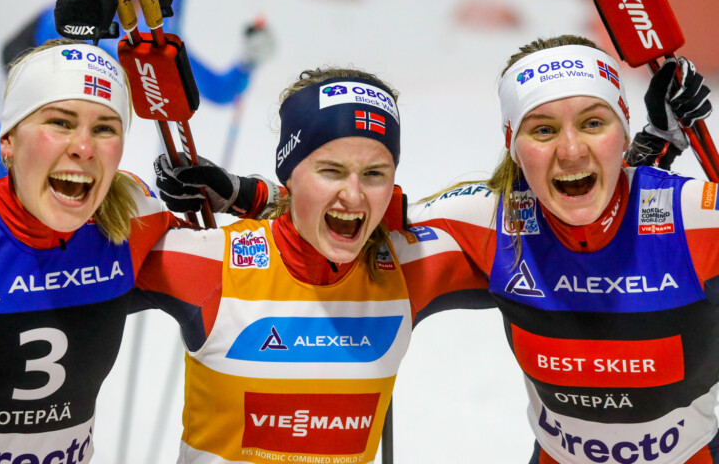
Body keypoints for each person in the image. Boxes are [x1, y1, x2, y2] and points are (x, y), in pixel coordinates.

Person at [156, 36, 718, 463]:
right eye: (542, 130)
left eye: (594, 123)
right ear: (512, 145)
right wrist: (243, 194)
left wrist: (658, 148)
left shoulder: (698, 219)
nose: (569, 149)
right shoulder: (491, 222)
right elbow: (366, 214)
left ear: (621, 130)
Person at [135, 67, 496, 463]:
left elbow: (526, 221)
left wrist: (255, 196)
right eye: (330, 171)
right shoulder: (211, 262)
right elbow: (89, 229)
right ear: (289, 173)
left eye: (375, 173)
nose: (354, 195)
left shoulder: (408, 267)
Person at [0, 39, 185, 463]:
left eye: (104, 128)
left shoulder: (133, 217)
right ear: (8, 141)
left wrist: (244, 194)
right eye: (60, 122)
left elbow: (270, 245)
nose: (84, 147)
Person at [0, 0, 273, 183]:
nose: (159, 4)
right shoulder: (81, 17)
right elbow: (171, 78)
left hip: (24, 144)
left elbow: (204, 86)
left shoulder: (146, 22)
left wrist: (246, 64)